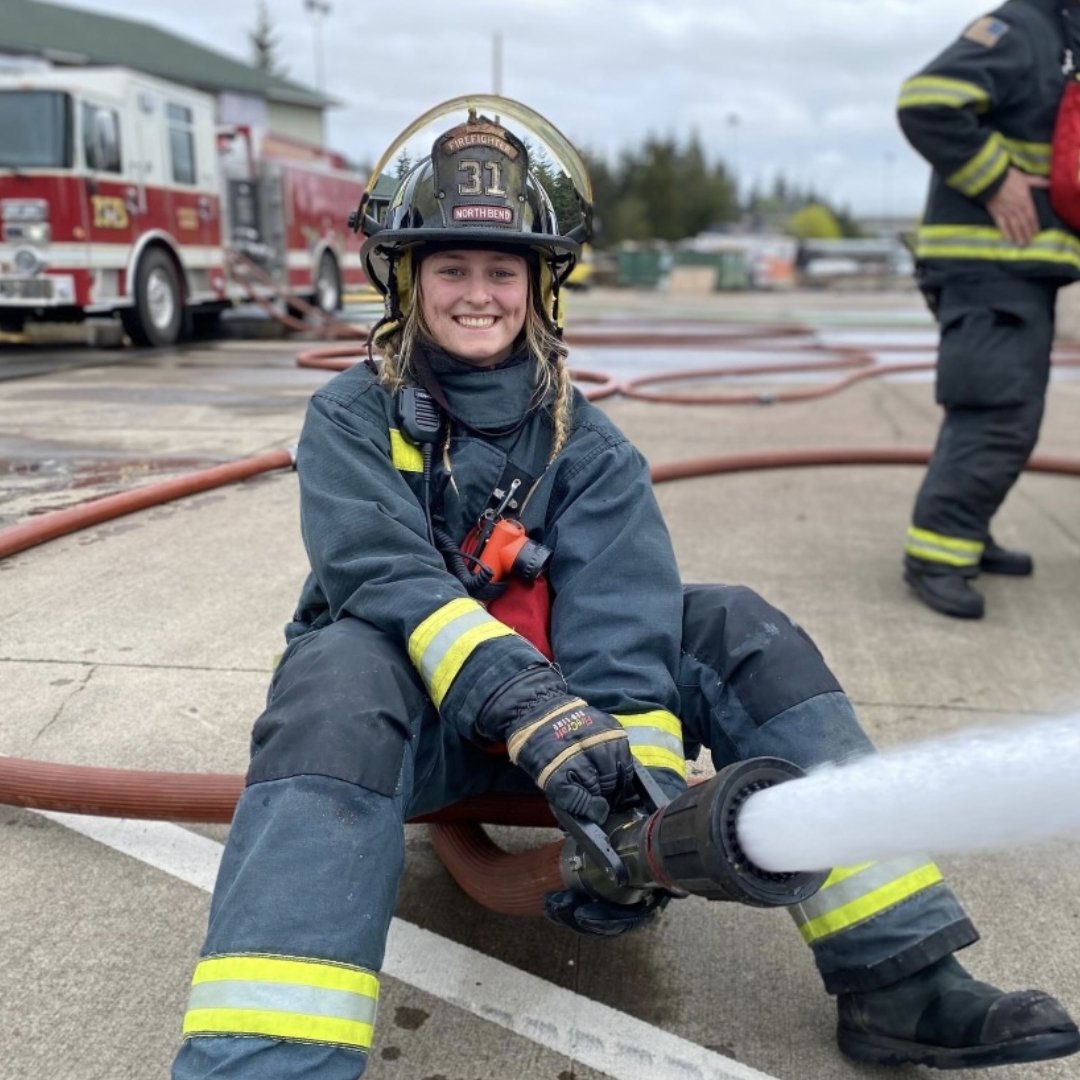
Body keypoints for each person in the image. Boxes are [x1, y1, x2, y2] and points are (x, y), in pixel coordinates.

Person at [171, 106, 1080, 1078]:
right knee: (339, 664)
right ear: (407, 278)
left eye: (502, 271)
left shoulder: (588, 444)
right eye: (451, 269)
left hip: (574, 753)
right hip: (412, 738)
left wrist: (633, 808)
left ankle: (901, 975)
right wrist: (525, 702)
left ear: (541, 286)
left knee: (735, 624)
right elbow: (377, 573)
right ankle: (266, 1058)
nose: (477, 294)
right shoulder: (350, 420)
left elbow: (624, 626)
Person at [898, 0, 1080, 619]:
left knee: (997, 409)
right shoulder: (1025, 30)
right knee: (997, 416)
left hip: (1017, 271)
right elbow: (927, 100)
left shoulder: (1059, 38)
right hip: (988, 270)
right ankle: (937, 555)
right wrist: (994, 179)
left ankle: (965, 533)